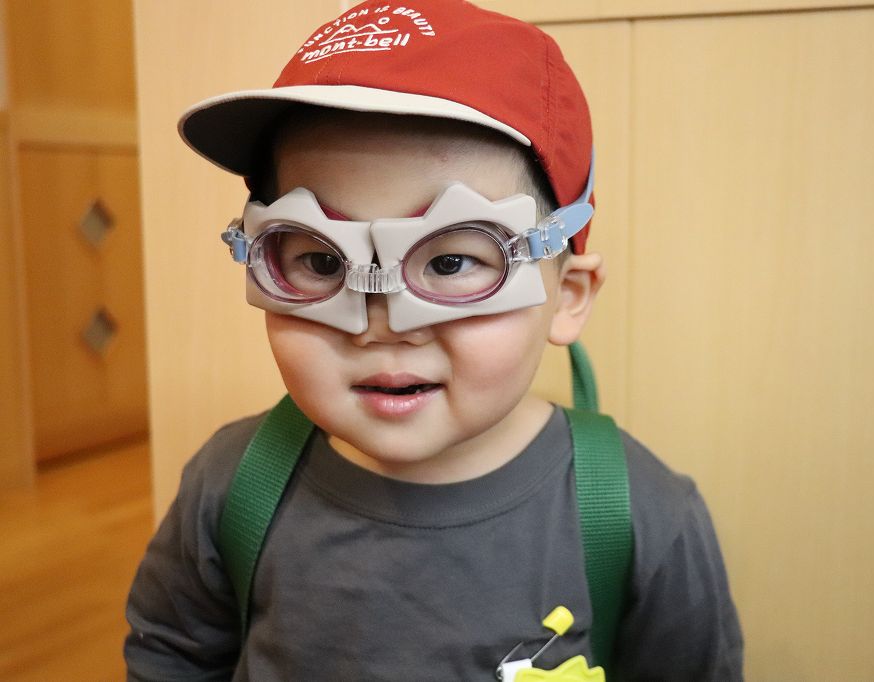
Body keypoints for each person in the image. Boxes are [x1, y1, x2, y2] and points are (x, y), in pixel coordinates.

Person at [124, 1, 743, 679]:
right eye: (321, 260)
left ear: (567, 296)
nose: (382, 323)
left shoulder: (640, 515)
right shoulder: (231, 485)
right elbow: (169, 655)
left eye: (450, 262)